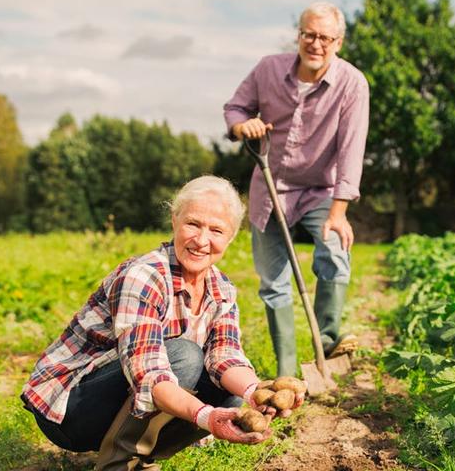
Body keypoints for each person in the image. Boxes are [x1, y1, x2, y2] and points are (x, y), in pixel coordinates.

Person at [20, 176, 303, 471]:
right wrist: (207, 417)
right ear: (174, 220)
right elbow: (149, 372)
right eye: (193, 224)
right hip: (69, 409)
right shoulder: (144, 276)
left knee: (229, 391)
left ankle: (142, 457)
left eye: (217, 230)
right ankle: (118, 464)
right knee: (185, 356)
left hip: (124, 396)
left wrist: (256, 392)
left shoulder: (222, 288)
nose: (202, 240)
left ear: (230, 237)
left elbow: (225, 355)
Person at [223, 1, 369, 377]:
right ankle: (288, 373)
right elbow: (236, 108)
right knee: (274, 283)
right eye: (308, 34)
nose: (315, 43)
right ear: (299, 35)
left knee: (334, 251)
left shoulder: (352, 83)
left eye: (324, 37)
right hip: (270, 191)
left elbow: (352, 150)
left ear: (338, 41)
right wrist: (243, 127)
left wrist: (339, 213)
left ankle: (329, 342)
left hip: (320, 190)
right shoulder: (268, 69)